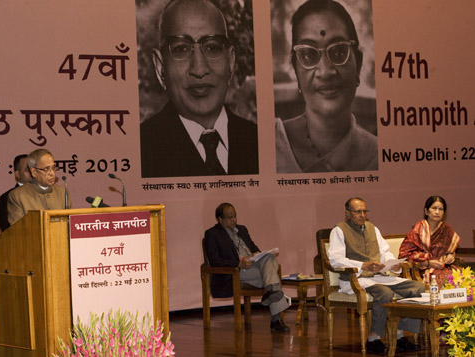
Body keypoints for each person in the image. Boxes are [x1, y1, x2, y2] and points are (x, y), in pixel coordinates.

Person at [140, 0, 258, 178]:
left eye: (212, 47)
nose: (199, 69)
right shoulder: (142, 150)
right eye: (181, 49)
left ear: (231, 62)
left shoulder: (258, 142)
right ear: (160, 67)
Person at [275, 0, 377, 173]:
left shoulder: (379, 158)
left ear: (358, 65)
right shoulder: (271, 144)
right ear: (296, 71)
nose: (325, 71)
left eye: (338, 52)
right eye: (308, 54)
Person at [328, 197, 424, 353]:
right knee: (384, 293)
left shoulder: (373, 228)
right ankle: (374, 338)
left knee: (417, 287)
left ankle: (398, 334)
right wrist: (362, 265)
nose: (362, 215)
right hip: (355, 279)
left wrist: (392, 264)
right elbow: (335, 260)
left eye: (364, 211)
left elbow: (384, 252)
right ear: (347, 213)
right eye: (358, 211)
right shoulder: (339, 230)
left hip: (378, 277)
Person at [204, 203, 290, 333]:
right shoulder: (213, 234)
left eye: (235, 216)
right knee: (273, 277)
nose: (234, 220)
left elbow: (253, 247)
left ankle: (271, 291)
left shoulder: (242, 229)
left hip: (252, 267)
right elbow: (215, 260)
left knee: (269, 258)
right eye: (229, 217)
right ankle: (275, 319)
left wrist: (256, 254)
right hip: (236, 272)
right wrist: (238, 264)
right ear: (220, 219)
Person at [399, 196, 460, 284]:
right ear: (426, 211)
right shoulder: (418, 229)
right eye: (434, 208)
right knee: (445, 279)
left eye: (440, 209)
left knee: (463, 278)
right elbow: (404, 255)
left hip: (443, 267)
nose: (437, 212)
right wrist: (428, 263)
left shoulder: (446, 229)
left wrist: (451, 256)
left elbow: (450, 250)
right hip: (421, 269)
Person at [7, 149, 68, 226]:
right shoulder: (17, 196)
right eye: (46, 169)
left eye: (53, 168)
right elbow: (18, 231)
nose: (52, 173)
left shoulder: (62, 192)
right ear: (34, 172)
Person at [0, 154, 32, 231]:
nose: (32, 173)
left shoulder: (45, 193)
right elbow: (7, 230)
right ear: (17, 174)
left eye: (33, 168)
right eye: (27, 170)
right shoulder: (7, 197)